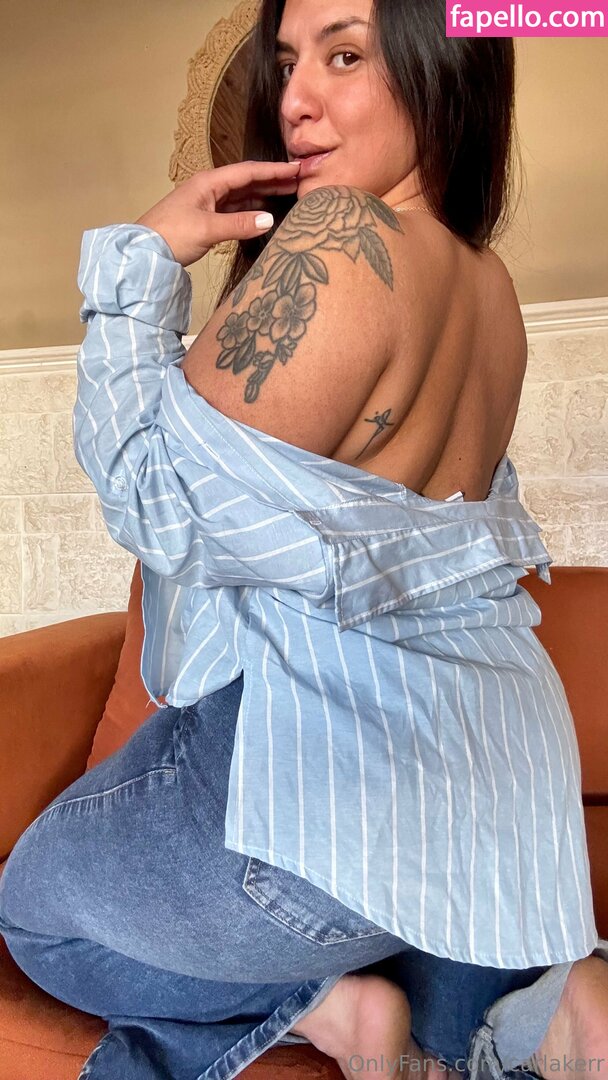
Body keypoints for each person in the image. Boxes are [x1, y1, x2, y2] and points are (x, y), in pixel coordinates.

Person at [0, 0, 607, 1077]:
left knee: (31, 913)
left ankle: (329, 1006)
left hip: (318, 816)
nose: (294, 100)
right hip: (488, 808)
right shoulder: (488, 286)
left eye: (345, 55)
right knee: (386, 907)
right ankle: (531, 1003)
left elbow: (157, 504)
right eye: (286, 62)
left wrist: (141, 264)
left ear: (439, 65)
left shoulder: (341, 238)